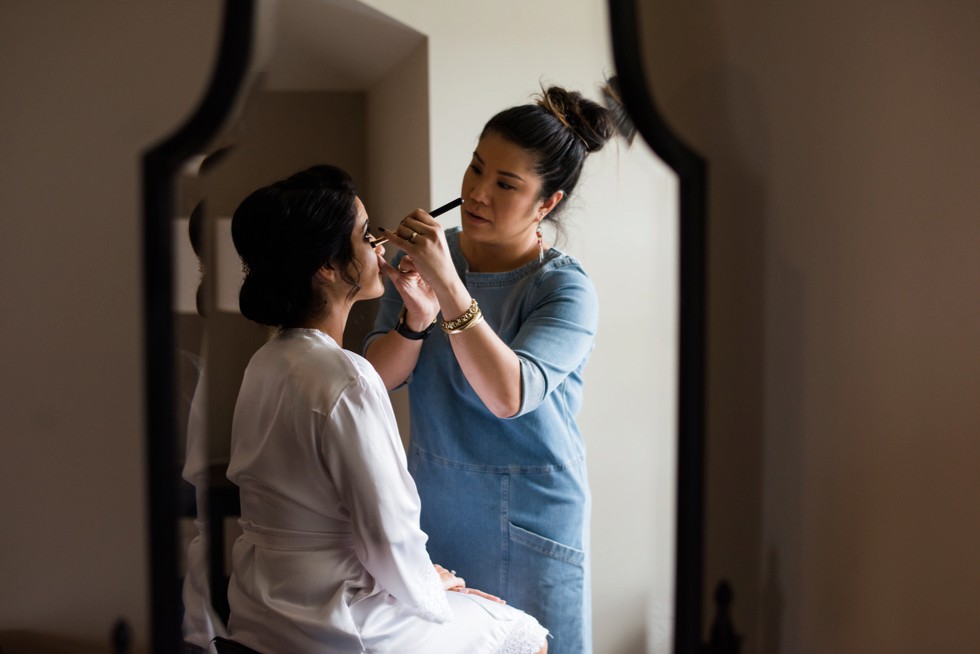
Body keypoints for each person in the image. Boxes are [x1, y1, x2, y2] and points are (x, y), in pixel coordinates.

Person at [223, 165, 549, 654]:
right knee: (525, 634)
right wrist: (432, 588)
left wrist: (419, 318)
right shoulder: (346, 376)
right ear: (327, 267)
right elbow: (387, 533)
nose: (380, 244)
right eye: (365, 234)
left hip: (263, 602)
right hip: (337, 614)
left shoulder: (266, 361)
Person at [364, 82, 625, 654]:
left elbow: (510, 395)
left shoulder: (565, 288)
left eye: (506, 184)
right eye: (476, 169)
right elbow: (374, 380)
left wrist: (449, 285)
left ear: (547, 203)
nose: (477, 193)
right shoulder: (425, 259)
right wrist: (414, 317)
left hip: (532, 513)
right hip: (434, 500)